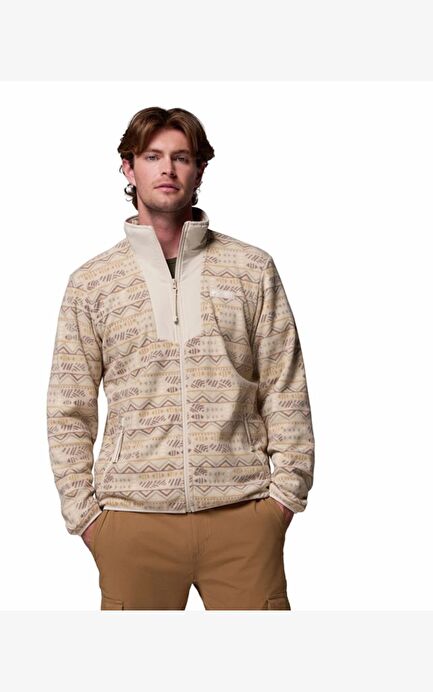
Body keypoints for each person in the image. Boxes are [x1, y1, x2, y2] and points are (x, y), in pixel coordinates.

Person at [46, 106, 315, 610]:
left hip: (243, 516)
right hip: (132, 523)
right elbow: (68, 407)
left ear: (200, 169)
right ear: (129, 168)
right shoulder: (92, 283)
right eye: (152, 156)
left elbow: (285, 386)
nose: (167, 169)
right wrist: (87, 518)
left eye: (181, 157)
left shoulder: (251, 269)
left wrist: (284, 498)